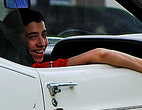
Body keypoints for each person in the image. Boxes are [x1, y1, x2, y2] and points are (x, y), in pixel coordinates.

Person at [11, 8, 142, 73]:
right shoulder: (35, 69)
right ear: (15, 39)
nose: (42, 43)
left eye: (44, 35)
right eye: (32, 37)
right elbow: (100, 54)